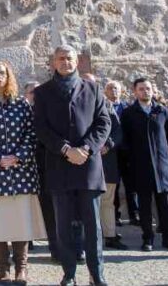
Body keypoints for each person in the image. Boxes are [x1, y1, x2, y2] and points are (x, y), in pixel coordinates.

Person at [32, 45, 112, 286]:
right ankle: (69, 273)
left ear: (76, 62)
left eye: (69, 58)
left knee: (93, 225)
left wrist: (86, 148)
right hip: (59, 165)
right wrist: (66, 149)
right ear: (53, 63)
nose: (65, 62)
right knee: (63, 225)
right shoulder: (43, 92)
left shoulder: (93, 88)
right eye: (60, 58)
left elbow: (103, 123)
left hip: (88, 166)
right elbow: (41, 128)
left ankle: (96, 274)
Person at [0, 61, 46, 285]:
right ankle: (2, 269)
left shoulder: (22, 104)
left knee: (20, 223)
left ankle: (21, 269)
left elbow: (32, 133)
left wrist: (17, 156)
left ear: (8, 76)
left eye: (2, 73)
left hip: (21, 173)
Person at [119, 78, 168, 252]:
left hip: (161, 166)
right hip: (141, 166)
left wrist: (159, 153)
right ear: (135, 92)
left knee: (165, 205)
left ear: (152, 91)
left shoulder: (162, 111)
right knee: (145, 205)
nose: (145, 92)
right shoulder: (129, 113)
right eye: (141, 89)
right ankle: (148, 238)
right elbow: (124, 139)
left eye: (148, 88)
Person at [99, 81, 127, 250]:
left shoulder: (107, 106)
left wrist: (108, 145)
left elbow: (117, 131)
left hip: (107, 162)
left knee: (108, 202)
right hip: (84, 163)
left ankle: (109, 235)